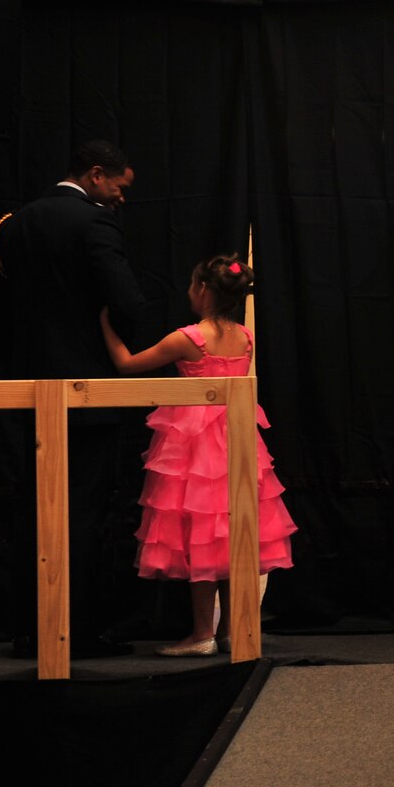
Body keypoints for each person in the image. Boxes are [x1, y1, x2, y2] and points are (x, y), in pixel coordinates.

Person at [0, 139, 147, 659]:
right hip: (84, 389)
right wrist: (117, 329)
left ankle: (27, 629)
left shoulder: (13, 224)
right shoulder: (95, 223)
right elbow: (126, 301)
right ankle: (75, 632)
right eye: (120, 187)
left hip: (27, 388)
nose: (122, 198)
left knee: (33, 510)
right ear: (97, 175)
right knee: (82, 513)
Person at [100, 253, 297, 655]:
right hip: (239, 440)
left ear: (203, 290)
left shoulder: (188, 338)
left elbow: (126, 365)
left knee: (202, 535)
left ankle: (203, 633)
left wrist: (105, 325)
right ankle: (228, 631)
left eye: (193, 284)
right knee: (228, 532)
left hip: (195, 444)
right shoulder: (246, 337)